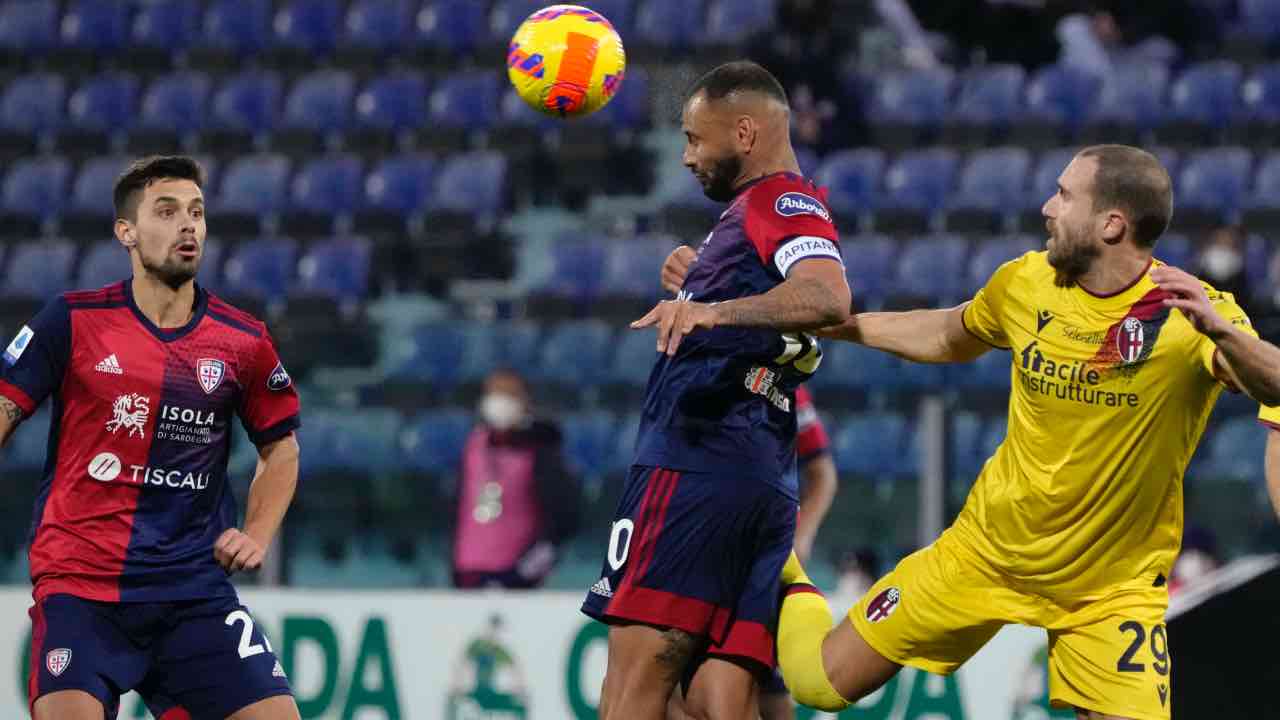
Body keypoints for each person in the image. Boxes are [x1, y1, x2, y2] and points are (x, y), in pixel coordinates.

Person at [773, 144, 1280, 720]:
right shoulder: (1026, 282)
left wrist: (1223, 332)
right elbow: (947, 333)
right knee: (817, 682)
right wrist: (842, 325)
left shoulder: (1192, 315)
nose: (1047, 207)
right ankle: (780, 565)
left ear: (1111, 224)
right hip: (986, 553)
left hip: (1108, 592)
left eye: (1065, 196)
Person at [582, 60, 851, 720]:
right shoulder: (758, 216)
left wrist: (713, 309)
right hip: (756, 473)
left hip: (696, 468)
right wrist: (698, 282)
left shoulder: (777, 201)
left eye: (695, 139)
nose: (685, 157)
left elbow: (827, 296)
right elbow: (778, 295)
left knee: (631, 688)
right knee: (723, 698)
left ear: (745, 132)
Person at [0, 156, 303, 720]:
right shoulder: (71, 321)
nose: (188, 225)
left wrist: (257, 534)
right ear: (127, 233)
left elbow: (280, 447)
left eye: (196, 212)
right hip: (83, 590)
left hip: (192, 592)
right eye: (166, 212)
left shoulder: (242, 342)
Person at [452, 369, 580, 589]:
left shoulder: (541, 451)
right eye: (494, 393)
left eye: (509, 394)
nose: (499, 401)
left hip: (516, 575)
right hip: (468, 570)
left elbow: (563, 519)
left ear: (524, 402)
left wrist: (525, 571)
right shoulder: (473, 444)